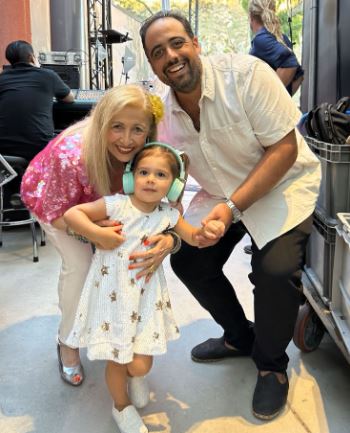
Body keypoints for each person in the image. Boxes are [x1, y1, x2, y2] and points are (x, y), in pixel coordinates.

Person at [139, 10, 321, 421]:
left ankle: (271, 365)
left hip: (281, 184)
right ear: (152, 64)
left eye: (177, 43)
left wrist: (232, 208)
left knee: (273, 270)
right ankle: (240, 337)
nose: (170, 55)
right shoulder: (163, 114)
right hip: (218, 191)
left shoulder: (247, 75)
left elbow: (284, 149)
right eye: (158, 52)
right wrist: (174, 229)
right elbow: (171, 177)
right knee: (189, 260)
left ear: (196, 43)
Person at [21, 85, 181, 388]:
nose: (126, 140)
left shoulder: (152, 153)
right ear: (102, 123)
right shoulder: (70, 155)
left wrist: (171, 239)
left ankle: (124, 338)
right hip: (58, 203)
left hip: (103, 207)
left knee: (127, 266)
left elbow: (170, 207)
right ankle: (67, 342)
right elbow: (57, 211)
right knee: (81, 267)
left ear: (150, 132)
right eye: (116, 127)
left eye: (137, 130)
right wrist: (93, 233)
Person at [63, 142, 225, 433]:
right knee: (116, 358)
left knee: (140, 365)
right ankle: (121, 407)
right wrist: (97, 232)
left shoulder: (169, 216)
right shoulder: (115, 205)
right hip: (110, 297)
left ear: (174, 187)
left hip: (145, 298)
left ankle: (136, 377)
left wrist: (208, 231)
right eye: (144, 172)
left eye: (160, 175)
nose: (151, 179)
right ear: (131, 177)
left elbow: (194, 237)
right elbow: (73, 215)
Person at [0, 40, 74, 161]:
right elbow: (69, 98)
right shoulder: (48, 76)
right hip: (39, 147)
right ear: (32, 57)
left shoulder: (2, 78)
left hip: (4, 149)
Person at [248, 0, 304, 96]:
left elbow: (290, 64)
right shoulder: (280, 37)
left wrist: (270, 99)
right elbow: (299, 76)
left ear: (251, 17)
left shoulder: (261, 39)